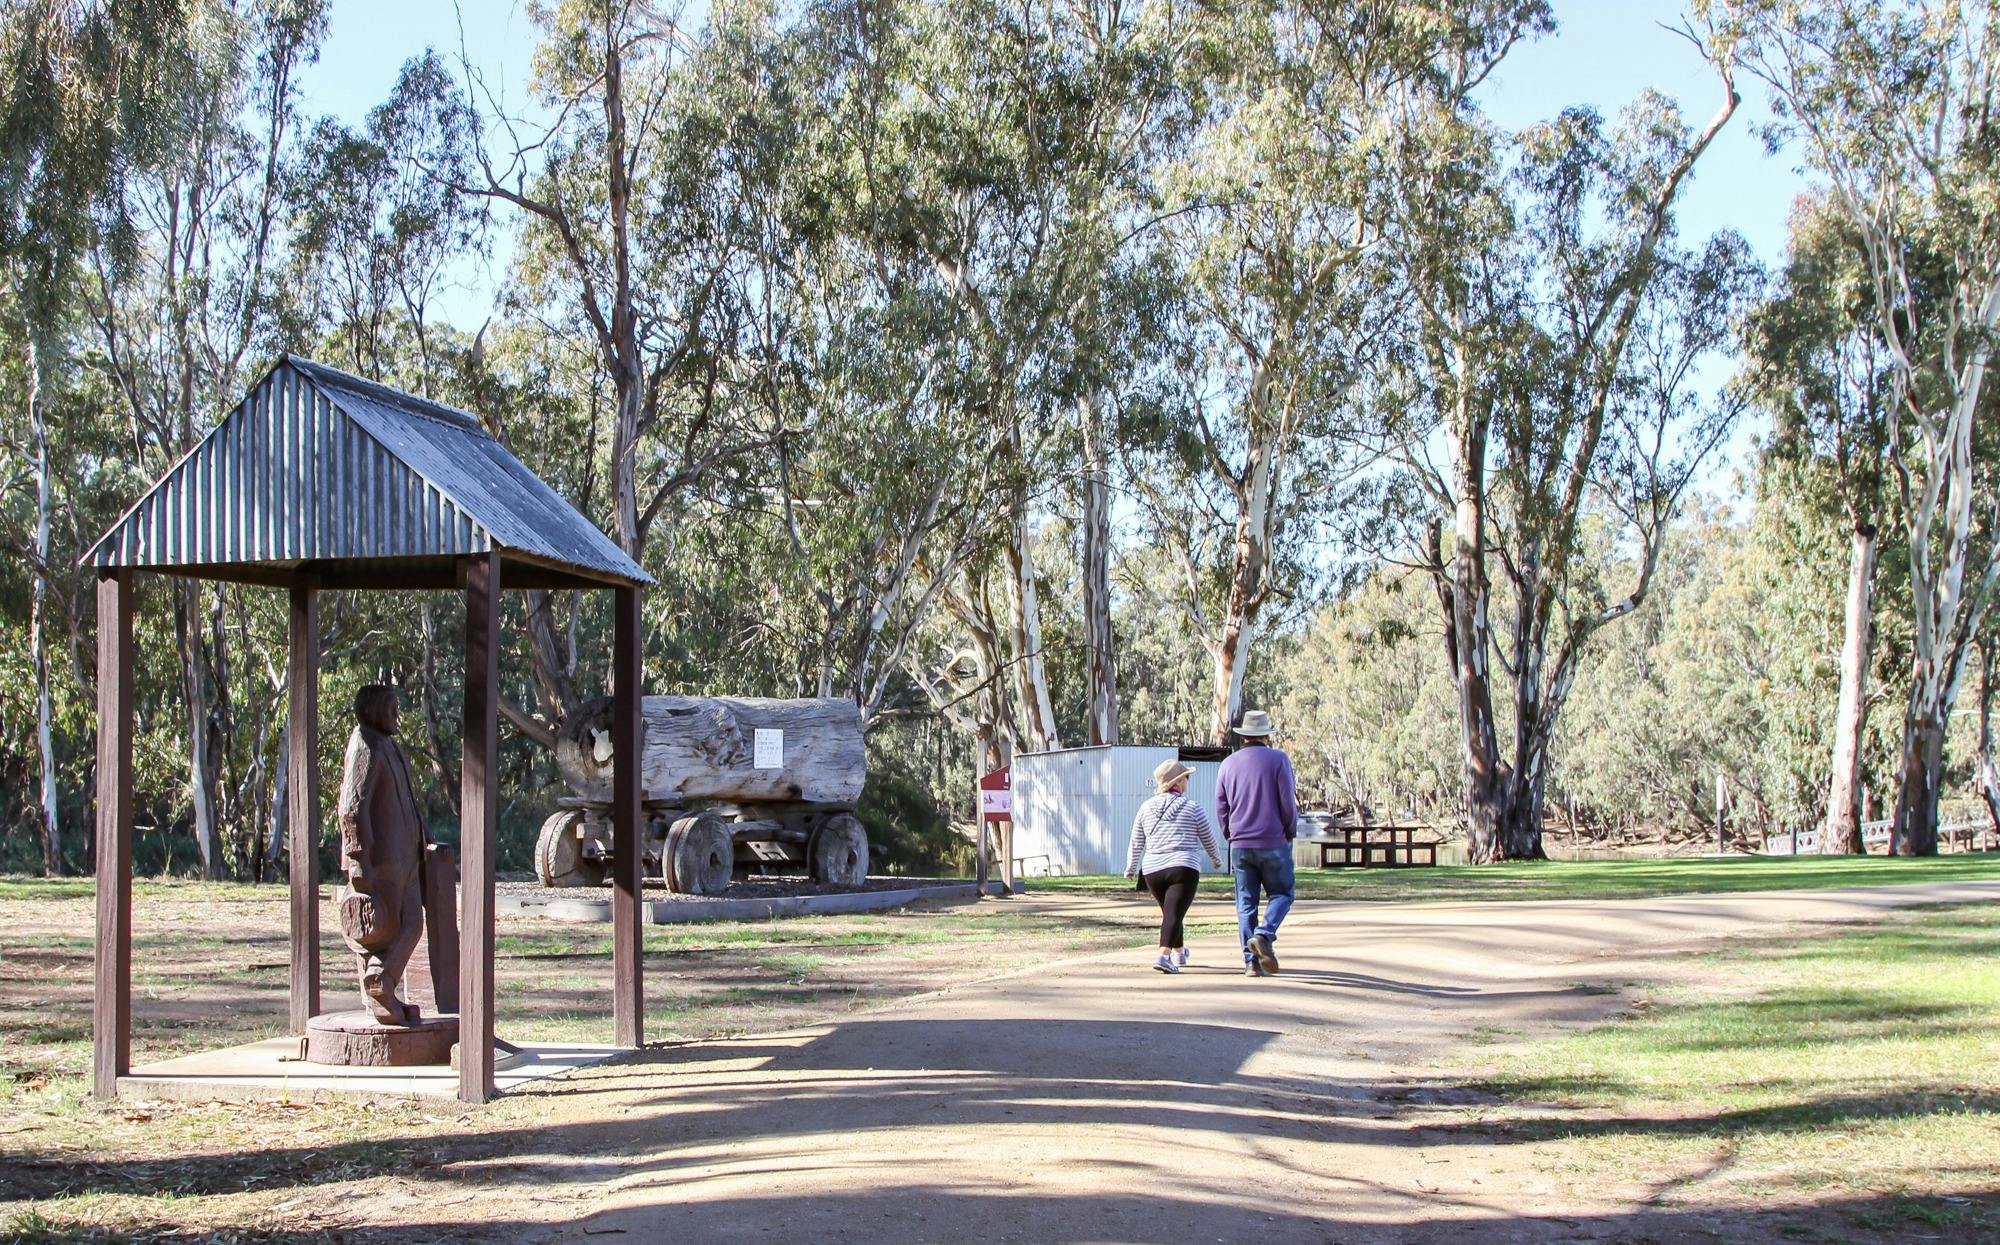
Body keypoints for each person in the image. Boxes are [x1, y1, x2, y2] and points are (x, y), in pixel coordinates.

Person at [336, 685, 430, 1025]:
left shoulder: (390, 747)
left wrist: (425, 837)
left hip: (406, 856)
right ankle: (380, 984)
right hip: (382, 859)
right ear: (375, 710)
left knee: (410, 924)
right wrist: (357, 855)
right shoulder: (364, 743)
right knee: (381, 928)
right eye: (391, 709)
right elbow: (351, 805)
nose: (396, 716)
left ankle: (380, 983)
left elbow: (408, 800)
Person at [1216, 709, 1297, 977]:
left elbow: (1222, 804)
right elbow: (1287, 801)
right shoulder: (1278, 760)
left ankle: (1251, 962)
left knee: (1246, 903)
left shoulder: (1228, 764)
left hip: (1240, 844)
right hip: (1273, 839)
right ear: (1265, 734)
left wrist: (1229, 833)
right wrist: (1290, 830)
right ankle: (1264, 934)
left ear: (1244, 736)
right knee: (1283, 893)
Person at [1123, 758, 1223, 974]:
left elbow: (1136, 840)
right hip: (1183, 867)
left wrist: (1130, 868)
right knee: (1173, 914)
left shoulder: (1145, 807)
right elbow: (1207, 837)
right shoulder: (1192, 807)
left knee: (1171, 912)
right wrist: (1217, 859)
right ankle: (1163, 956)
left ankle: (1179, 952)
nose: (1188, 780)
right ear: (1177, 782)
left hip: (1153, 871)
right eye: (1186, 777)